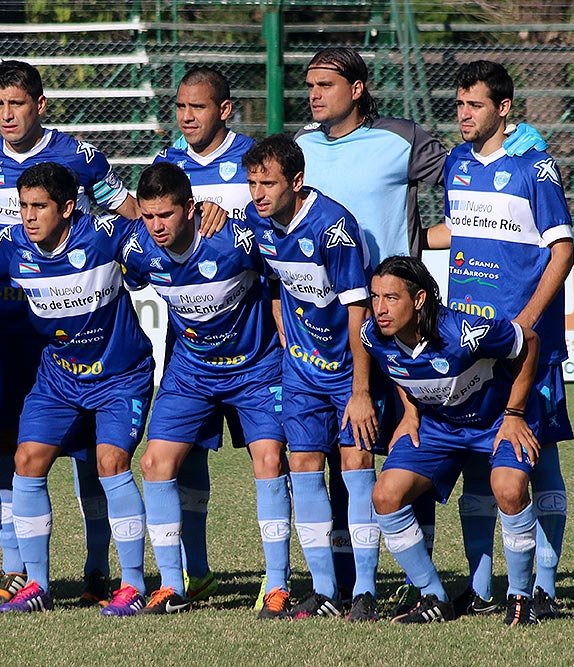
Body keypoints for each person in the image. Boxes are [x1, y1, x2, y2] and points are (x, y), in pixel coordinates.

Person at [294, 46, 546, 607]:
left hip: (395, 318)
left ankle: (422, 584)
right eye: (308, 85)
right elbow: (268, 195)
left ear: (357, 88)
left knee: (406, 452)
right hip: (326, 323)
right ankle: (340, 582)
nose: (312, 95)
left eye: (324, 85)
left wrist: (522, 141)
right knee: (339, 457)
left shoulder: (402, 139)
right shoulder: (302, 147)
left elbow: (471, 167)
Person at [0, 60, 140, 608]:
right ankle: (18, 569)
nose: (6, 115)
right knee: (11, 447)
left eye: (16, 103)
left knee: (92, 453)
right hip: (4, 328)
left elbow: (131, 213)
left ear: (39, 104)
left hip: (74, 329)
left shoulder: (80, 158)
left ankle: (97, 566)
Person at [0, 162, 154, 616]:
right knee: (26, 459)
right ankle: (38, 584)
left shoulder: (105, 235)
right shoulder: (10, 245)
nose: (28, 216)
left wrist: (209, 214)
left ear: (69, 207)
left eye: (39, 206)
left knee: (110, 462)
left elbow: (161, 234)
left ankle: (133, 584)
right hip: (59, 377)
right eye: (23, 206)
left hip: (120, 375)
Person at [436, 60, 574, 620]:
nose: (464, 114)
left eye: (475, 105)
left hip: (527, 345)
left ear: (504, 108)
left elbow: (562, 250)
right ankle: (480, 587)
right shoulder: (456, 162)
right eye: (460, 104)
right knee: (478, 459)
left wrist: (527, 323)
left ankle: (545, 588)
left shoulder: (535, 168)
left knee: (537, 458)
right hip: (470, 342)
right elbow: (459, 230)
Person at [125, 163, 291, 618]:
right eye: (149, 216)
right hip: (192, 372)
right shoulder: (139, 249)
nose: (157, 226)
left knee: (270, 460)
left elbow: (282, 270)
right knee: (154, 463)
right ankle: (172, 584)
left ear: (190, 208)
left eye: (166, 214)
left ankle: (278, 584)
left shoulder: (234, 239)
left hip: (256, 369)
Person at [243, 135, 384, 622]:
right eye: (253, 183)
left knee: (356, 463)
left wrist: (361, 391)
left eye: (268, 184)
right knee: (302, 463)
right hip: (301, 369)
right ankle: (324, 590)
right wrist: (277, 306)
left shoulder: (333, 227)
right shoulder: (256, 219)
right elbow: (269, 273)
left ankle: (364, 590)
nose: (258, 194)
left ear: (297, 182)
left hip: (348, 370)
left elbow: (360, 312)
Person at [365, 255, 542, 626]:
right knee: (385, 496)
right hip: (439, 427)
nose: (380, 308)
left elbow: (528, 341)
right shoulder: (372, 336)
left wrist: (514, 414)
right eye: (375, 297)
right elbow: (398, 370)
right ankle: (433, 597)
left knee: (509, 490)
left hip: (497, 421)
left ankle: (520, 598)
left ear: (419, 299)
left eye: (391, 298)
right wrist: (410, 413)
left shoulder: (463, 332)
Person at [150, 65, 255, 603]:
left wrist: (230, 216)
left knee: (272, 455)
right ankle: (196, 569)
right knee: (185, 454)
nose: (186, 117)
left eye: (198, 107)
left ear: (225, 110)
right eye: (180, 107)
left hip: (255, 340)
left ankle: (283, 577)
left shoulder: (252, 161)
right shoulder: (166, 163)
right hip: (189, 342)